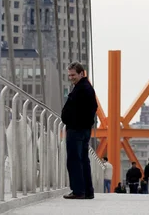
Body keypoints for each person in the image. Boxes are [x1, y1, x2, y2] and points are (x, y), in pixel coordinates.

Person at [61, 62, 98, 199]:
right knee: (83, 160)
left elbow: (83, 109)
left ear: (81, 73)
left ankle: (78, 191)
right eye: (69, 75)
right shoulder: (85, 87)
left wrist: (73, 121)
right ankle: (87, 191)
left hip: (77, 130)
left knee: (74, 160)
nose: (71, 77)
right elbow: (93, 108)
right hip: (82, 129)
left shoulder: (82, 89)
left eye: (73, 75)